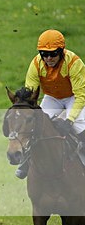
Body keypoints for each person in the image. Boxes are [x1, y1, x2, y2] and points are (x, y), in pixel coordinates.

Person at [17, 29, 85, 178]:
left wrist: (69, 120)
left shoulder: (74, 63)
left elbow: (81, 95)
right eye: (44, 54)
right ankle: (26, 161)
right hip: (52, 97)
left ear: (62, 51)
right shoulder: (36, 64)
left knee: (79, 125)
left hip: (74, 97)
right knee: (36, 123)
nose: (48, 58)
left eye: (53, 53)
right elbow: (31, 94)